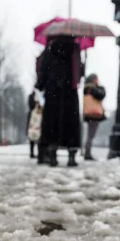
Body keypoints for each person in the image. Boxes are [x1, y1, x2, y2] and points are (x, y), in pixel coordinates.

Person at [35, 35, 83, 167]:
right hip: (70, 92)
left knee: (52, 124)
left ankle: (52, 155)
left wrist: (40, 85)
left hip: (53, 91)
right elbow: (80, 71)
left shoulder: (50, 50)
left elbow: (43, 70)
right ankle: (71, 156)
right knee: (71, 124)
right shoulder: (75, 50)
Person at [82, 74, 106, 161]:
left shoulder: (86, 88)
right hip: (94, 114)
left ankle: (87, 152)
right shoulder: (93, 88)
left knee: (90, 135)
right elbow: (101, 95)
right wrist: (98, 88)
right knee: (91, 135)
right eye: (96, 79)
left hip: (89, 114)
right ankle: (87, 153)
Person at [26, 90, 38, 159]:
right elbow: (31, 106)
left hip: (34, 117)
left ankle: (32, 152)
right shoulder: (32, 96)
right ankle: (32, 152)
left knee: (33, 136)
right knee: (32, 136)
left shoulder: (31, 96)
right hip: (34, 118)